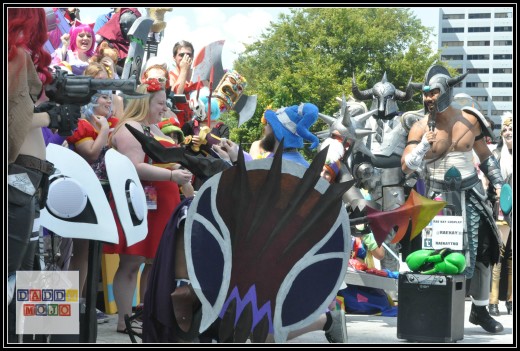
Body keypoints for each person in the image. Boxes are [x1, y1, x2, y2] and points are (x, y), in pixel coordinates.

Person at [401, 64, 504, 333]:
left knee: (483, 251)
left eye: (433, 92)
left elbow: (485, 157)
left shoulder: (471, 119)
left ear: (446, 90)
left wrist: (503, 187)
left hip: (472, 195)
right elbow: (406, 166)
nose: (428, 98)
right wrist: (424, 144)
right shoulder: (419, 126)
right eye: (425, 94)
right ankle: (436, 309)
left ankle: (480, 310)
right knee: (437, 255)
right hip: (435, 197)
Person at [8, 8, 82, 342]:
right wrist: (50, 118)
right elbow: (11, 122)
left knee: (30, 280)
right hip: (18, 180)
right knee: (19, 280)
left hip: (26, 182)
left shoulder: (18, 54)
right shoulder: (16, 54)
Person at [104, 78, 193, 333]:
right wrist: (172, 176)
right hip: (139, 202)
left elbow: (169, 158)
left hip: (161, 202)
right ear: (145, 102)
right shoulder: (130, 128)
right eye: (160, 103)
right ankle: (124, 319)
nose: (164, 109)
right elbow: (135, 167)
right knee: (131, 262)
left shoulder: (152, 128)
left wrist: (179, 170)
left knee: (154, 264)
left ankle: (144, 315)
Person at [488, 111, 513, 316]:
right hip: (502, 211)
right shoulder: (495, 155)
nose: (507, 132)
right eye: (504, 129)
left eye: (511, 128)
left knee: (512, 257)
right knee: (499, 255)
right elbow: (487, 184)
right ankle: (493, 300)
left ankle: (511, 300)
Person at [168, 40, 198, 125]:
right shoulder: (171, 77)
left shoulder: (198, 76)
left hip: (196, 127)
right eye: (181, 55)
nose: (185, 58)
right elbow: (176, 96)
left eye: (189, 55)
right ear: (174, 57)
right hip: (179, 126)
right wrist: (184, 70)